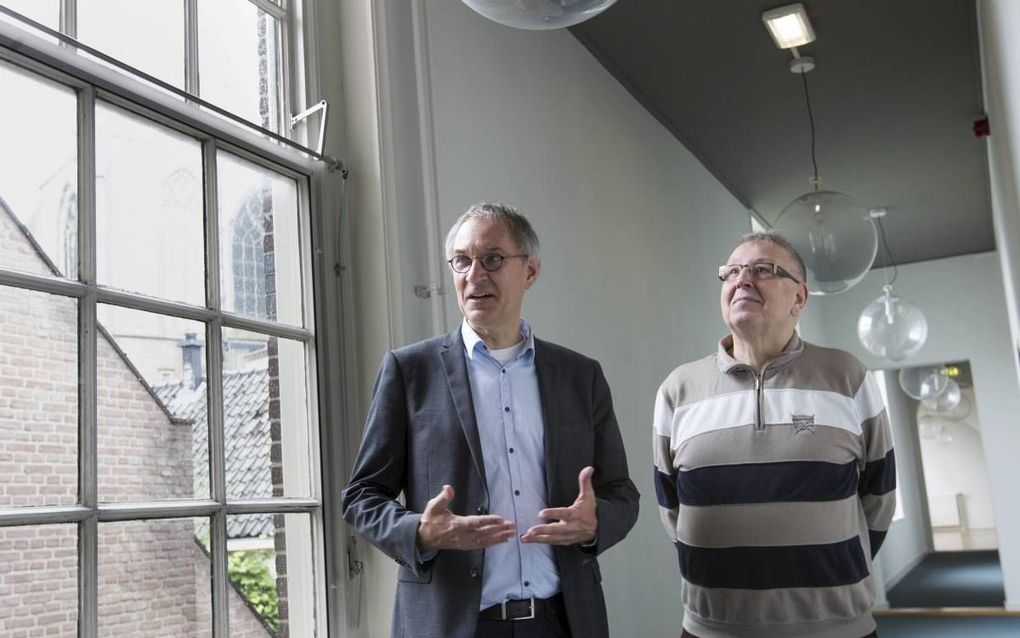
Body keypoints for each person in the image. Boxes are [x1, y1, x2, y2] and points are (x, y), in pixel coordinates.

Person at [342, 202, 639, 638]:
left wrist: (596, 523)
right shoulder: (410, 371)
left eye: (493, 259)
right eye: (462, 261)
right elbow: (361, 497)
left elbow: (621, 493)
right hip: (452, 623)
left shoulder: (580, 376)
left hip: (562, 621)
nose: (475, 275)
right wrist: (420, 531)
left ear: (530, 271)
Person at [653, 232, 896, 638]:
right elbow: (671, 507)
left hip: (838, 628)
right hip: (712, 629)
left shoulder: (846, 377)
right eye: (732, 271)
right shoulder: (678, 389)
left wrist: (832, 566)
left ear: (799, 298)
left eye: (762, 270)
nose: (742, 280)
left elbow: (879, 497)